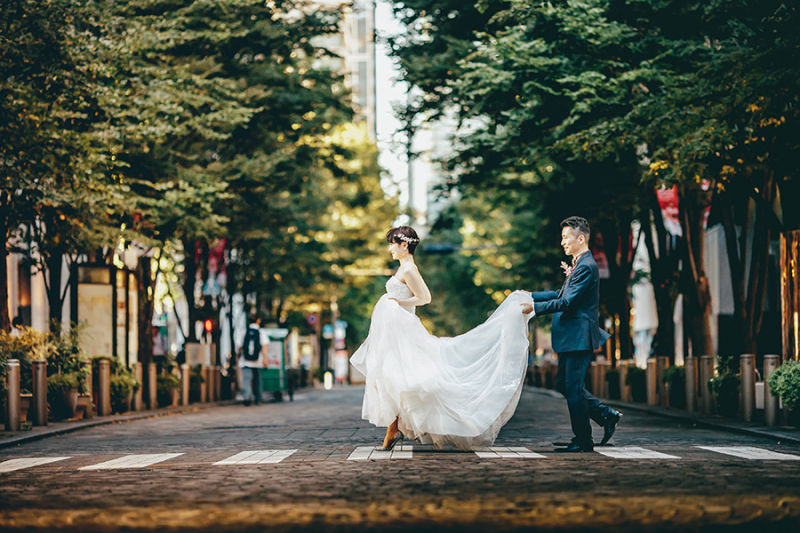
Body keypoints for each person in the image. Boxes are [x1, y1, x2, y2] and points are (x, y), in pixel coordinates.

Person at [350, 226, 534, 451]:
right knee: (394, 379)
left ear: (404, 245)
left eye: (392, 243)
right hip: (396, 334)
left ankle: (396, 429)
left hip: (405, 334)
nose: (389, 249)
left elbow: (424, 297)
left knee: (405, 379)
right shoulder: (403, 268)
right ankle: (394, 428)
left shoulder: (409, 269)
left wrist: (398, 303)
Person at [520, 216, 622, 452]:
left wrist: (534, 309)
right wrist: (532, 295)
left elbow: (566, 301)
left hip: (579, 337)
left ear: (581, 238)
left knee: (573, 388)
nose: (562, 242)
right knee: (564, 385)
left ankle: (584, 440)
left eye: (566, 237)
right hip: (571, 338)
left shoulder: (586, 266)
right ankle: (606, 415)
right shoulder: (580, 264)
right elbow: (560, 292)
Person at [239, 315, 265, 406]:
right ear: (258, 321)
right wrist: (266, 360)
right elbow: (264, 346)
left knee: (247, 380)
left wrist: (239, 357)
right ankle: (258, 399)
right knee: (257, 380)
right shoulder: (261, 332)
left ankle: (247, 397)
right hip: (258, 361)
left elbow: (239, 346)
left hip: (245, 361)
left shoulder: (244, 332)